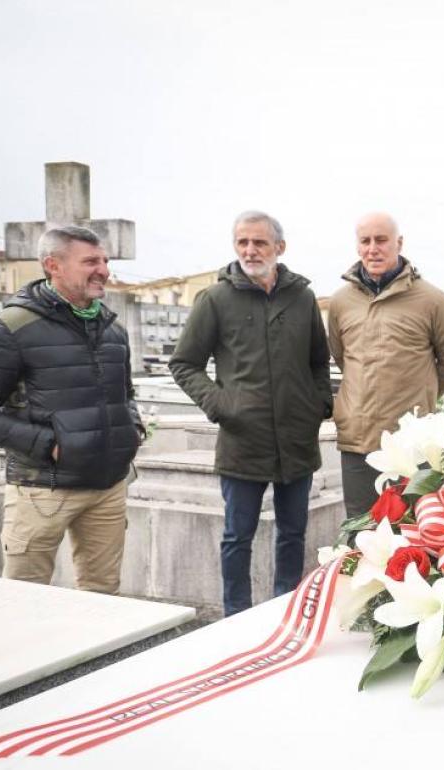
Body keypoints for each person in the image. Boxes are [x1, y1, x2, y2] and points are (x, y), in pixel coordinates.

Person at [0, 225, 143, 594]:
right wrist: (50, 445)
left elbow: (126, 392)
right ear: (53, 265)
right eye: (90, 261)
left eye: (104, 260)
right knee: (25, 597)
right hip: (42, 491)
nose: (103, 269)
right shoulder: (9, 328)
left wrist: (131, 426)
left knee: (104, 599)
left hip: (109, 486)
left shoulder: (112, 329)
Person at [169, 211, 332, 616]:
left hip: (296, 439)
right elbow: (184, 363)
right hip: (243, 440)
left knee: (293, 534)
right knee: (237, 537)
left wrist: (319, 405)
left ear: (280, 247)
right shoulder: (215, 299)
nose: (250, 250)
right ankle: (236, 617)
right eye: (242, 242)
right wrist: (220, 404)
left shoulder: (302, 298)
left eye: (259, 242)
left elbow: (318, 361)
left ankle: (286, 612)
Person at [327, 212, 444, 517]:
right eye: (365, 241)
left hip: (411, 441)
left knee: (413, 530)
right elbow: (342, 356)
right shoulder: (339, 302)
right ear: (357, 246)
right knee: (360, 531)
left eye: (381, 240)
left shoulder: (435, 301)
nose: (373, 248)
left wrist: (417, 396)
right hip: (358, 439)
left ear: (399, 243)